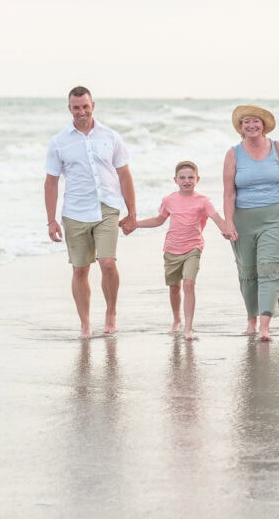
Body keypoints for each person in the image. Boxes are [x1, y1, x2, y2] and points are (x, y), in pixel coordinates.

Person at [44, 86, 137, 338]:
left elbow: (124, 174)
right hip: (75, 211)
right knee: (80, 269)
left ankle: (111, 312)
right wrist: (51, 220)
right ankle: (85, 323)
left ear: (93, 105)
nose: (81, 112)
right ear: (69, 109)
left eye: (85, 106)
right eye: (76, 107)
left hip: (107, 206)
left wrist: (132, 213)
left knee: (107, 263)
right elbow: (51, 181)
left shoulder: (110, 136)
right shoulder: (59, 142)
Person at [223, 104, 279, 342]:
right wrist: (228, 222)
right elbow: (229, 194)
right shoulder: (233, 153)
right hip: (243, 219)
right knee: (247, 272)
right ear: (241, 128)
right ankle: (251, 320)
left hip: (274, 217)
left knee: (268, 269)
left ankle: (265, 326)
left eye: (256, 121)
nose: (251, 126)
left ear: (263, 125)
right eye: (246, 122)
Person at [134, 160, 233, 340]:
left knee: (188, 284)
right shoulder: (168, 200)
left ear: (197, 179)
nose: (186, 181)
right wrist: (135, 224)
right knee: (174, 287)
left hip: (193, 248)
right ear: (175, 180)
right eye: (182, 178)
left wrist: (227, 229)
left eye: (190, 177)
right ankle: (176, 319)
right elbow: (158, 220)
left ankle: (188, 327)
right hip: (171, 248)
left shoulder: (203, 201)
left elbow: (217, 218)